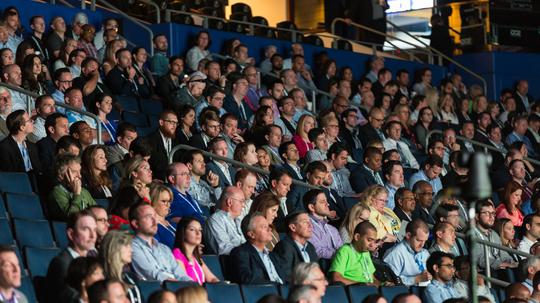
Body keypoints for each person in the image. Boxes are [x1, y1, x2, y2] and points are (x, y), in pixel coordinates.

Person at [129, 201, 191, 282]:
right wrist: (177, 284)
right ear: (136, 223)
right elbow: (151, 274)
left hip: (176, 288)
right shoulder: (131, 247)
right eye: (149, 216)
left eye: (155, 216)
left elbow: (181, 275)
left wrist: (193, 285)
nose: (155, 221)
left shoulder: (164, 248)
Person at [46, 211, 98, 303]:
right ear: (71, 234)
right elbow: (71, 298)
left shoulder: (94, 260)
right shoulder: (61, 263)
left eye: (94, 230)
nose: (93, 236)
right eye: (86, 229)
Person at [229, 213, 285, 284]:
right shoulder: (241, 253)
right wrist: (277, 286)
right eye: (264, 227)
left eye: (268, 226)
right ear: (252, 234)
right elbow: (247, 279)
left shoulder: (273, 256)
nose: (269, 229)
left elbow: (285, 279)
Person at [0, 110, 42, 190]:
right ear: (22, 127)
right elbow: (9, 175)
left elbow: (38, 170)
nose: (33, 121)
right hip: (17, 188)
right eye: (29, 120)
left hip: (36, 186)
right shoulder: (4, 148)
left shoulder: (32, 146)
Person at [383, 218, 431, 286]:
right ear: (408, 235)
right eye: (419, 240)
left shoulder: (425, 253)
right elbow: (390, 282)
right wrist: (416, 279)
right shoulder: (395, 253)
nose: (422, 245)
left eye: (425, 241)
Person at [172, 217, 219, 285]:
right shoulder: (177, 254)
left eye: (200, 230)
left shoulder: (196, 256)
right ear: (183, 232)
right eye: (192, 229)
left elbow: (211, 278)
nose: (198, 233)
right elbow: (184, 282)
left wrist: (222, 285)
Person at [49, 154, 96, 221]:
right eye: (74, 172)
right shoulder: (57, 192)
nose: (80, 176)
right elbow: (72, 218)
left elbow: (96, 214)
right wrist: (77, 194)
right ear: (61, 175)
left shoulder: (84, 191)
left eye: (79, 171)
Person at [273, 211, 318, 280]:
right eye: (305, 222)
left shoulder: (310, 247)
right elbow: (286, 277)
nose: (310, 225)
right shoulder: (285, 246)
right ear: (293, 227)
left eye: (310, 222)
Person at [330, 221, 379, 285]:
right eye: (369, 240)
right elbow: (336, 278)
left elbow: (372, 279)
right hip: (354, 291)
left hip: (368, 290)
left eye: (374, 241)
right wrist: (361, 285)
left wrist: (383, 284)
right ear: (357, 237)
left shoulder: (366, 252)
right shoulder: (345, 251)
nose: (372, 245)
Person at [474, 200, 517, 270]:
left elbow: (503, 254)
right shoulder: (472, 234)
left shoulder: (494, 234)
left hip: (500, 269)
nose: (491, 217)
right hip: (485, 272)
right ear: (477, 216)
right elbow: (480, 260)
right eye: (487, 213)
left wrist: (512, 262)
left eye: (493, 213)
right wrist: (500, 264)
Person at [203, 186, 246, 255]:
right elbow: (224, 249)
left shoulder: (238, 219)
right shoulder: (215, 220)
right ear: (229, 202)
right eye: (241, 201)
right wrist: (249, 251)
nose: (243, 205)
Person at [304, 189, 343, 259]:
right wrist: (341, 255)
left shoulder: (332, 229)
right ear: (312, 207)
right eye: (323, 202)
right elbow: (318, 252)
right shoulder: (306, 227)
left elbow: (342, 250)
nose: (327, 204)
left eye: (326, 201)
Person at [146, 110, 180, 181]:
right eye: (171, 122)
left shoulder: (177, 140)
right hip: (159, 179)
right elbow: (156, 165)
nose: (174, 126)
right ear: (161, 122)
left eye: (176, 123)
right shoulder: (150, 140)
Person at [149, 183, 177, 249]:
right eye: (164, 201)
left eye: (169, 201)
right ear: (153, 202)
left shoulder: (173, 224)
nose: (168, 205)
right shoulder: (153, 227)